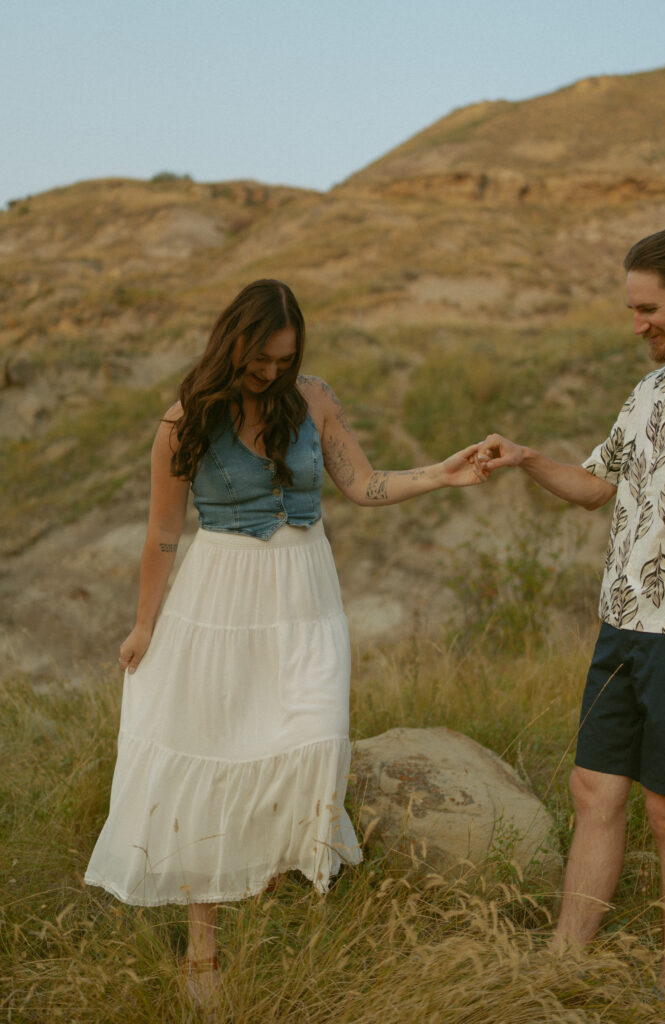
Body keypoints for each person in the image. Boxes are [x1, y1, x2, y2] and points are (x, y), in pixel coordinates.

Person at [85, 279, 485, 1009]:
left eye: (284, 358)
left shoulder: (315, 398)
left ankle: (271, 894)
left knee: (315, 737)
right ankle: (203, 953)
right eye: (261, 359)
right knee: (216, 745)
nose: (271, 372)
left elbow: (362, 484)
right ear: (231, 343)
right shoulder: (184, 421)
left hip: (305, 593)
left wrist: (443, 474)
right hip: (222, 594)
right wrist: (145, 625)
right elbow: (162, 535)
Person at [475, 229, 665, 997]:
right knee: (594, 792)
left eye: (648, 308)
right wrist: (526, 459)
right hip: (622, 626)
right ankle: (562, 963)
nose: (636, 324)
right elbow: (598, 486)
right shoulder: (647, 394)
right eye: (630, 309)